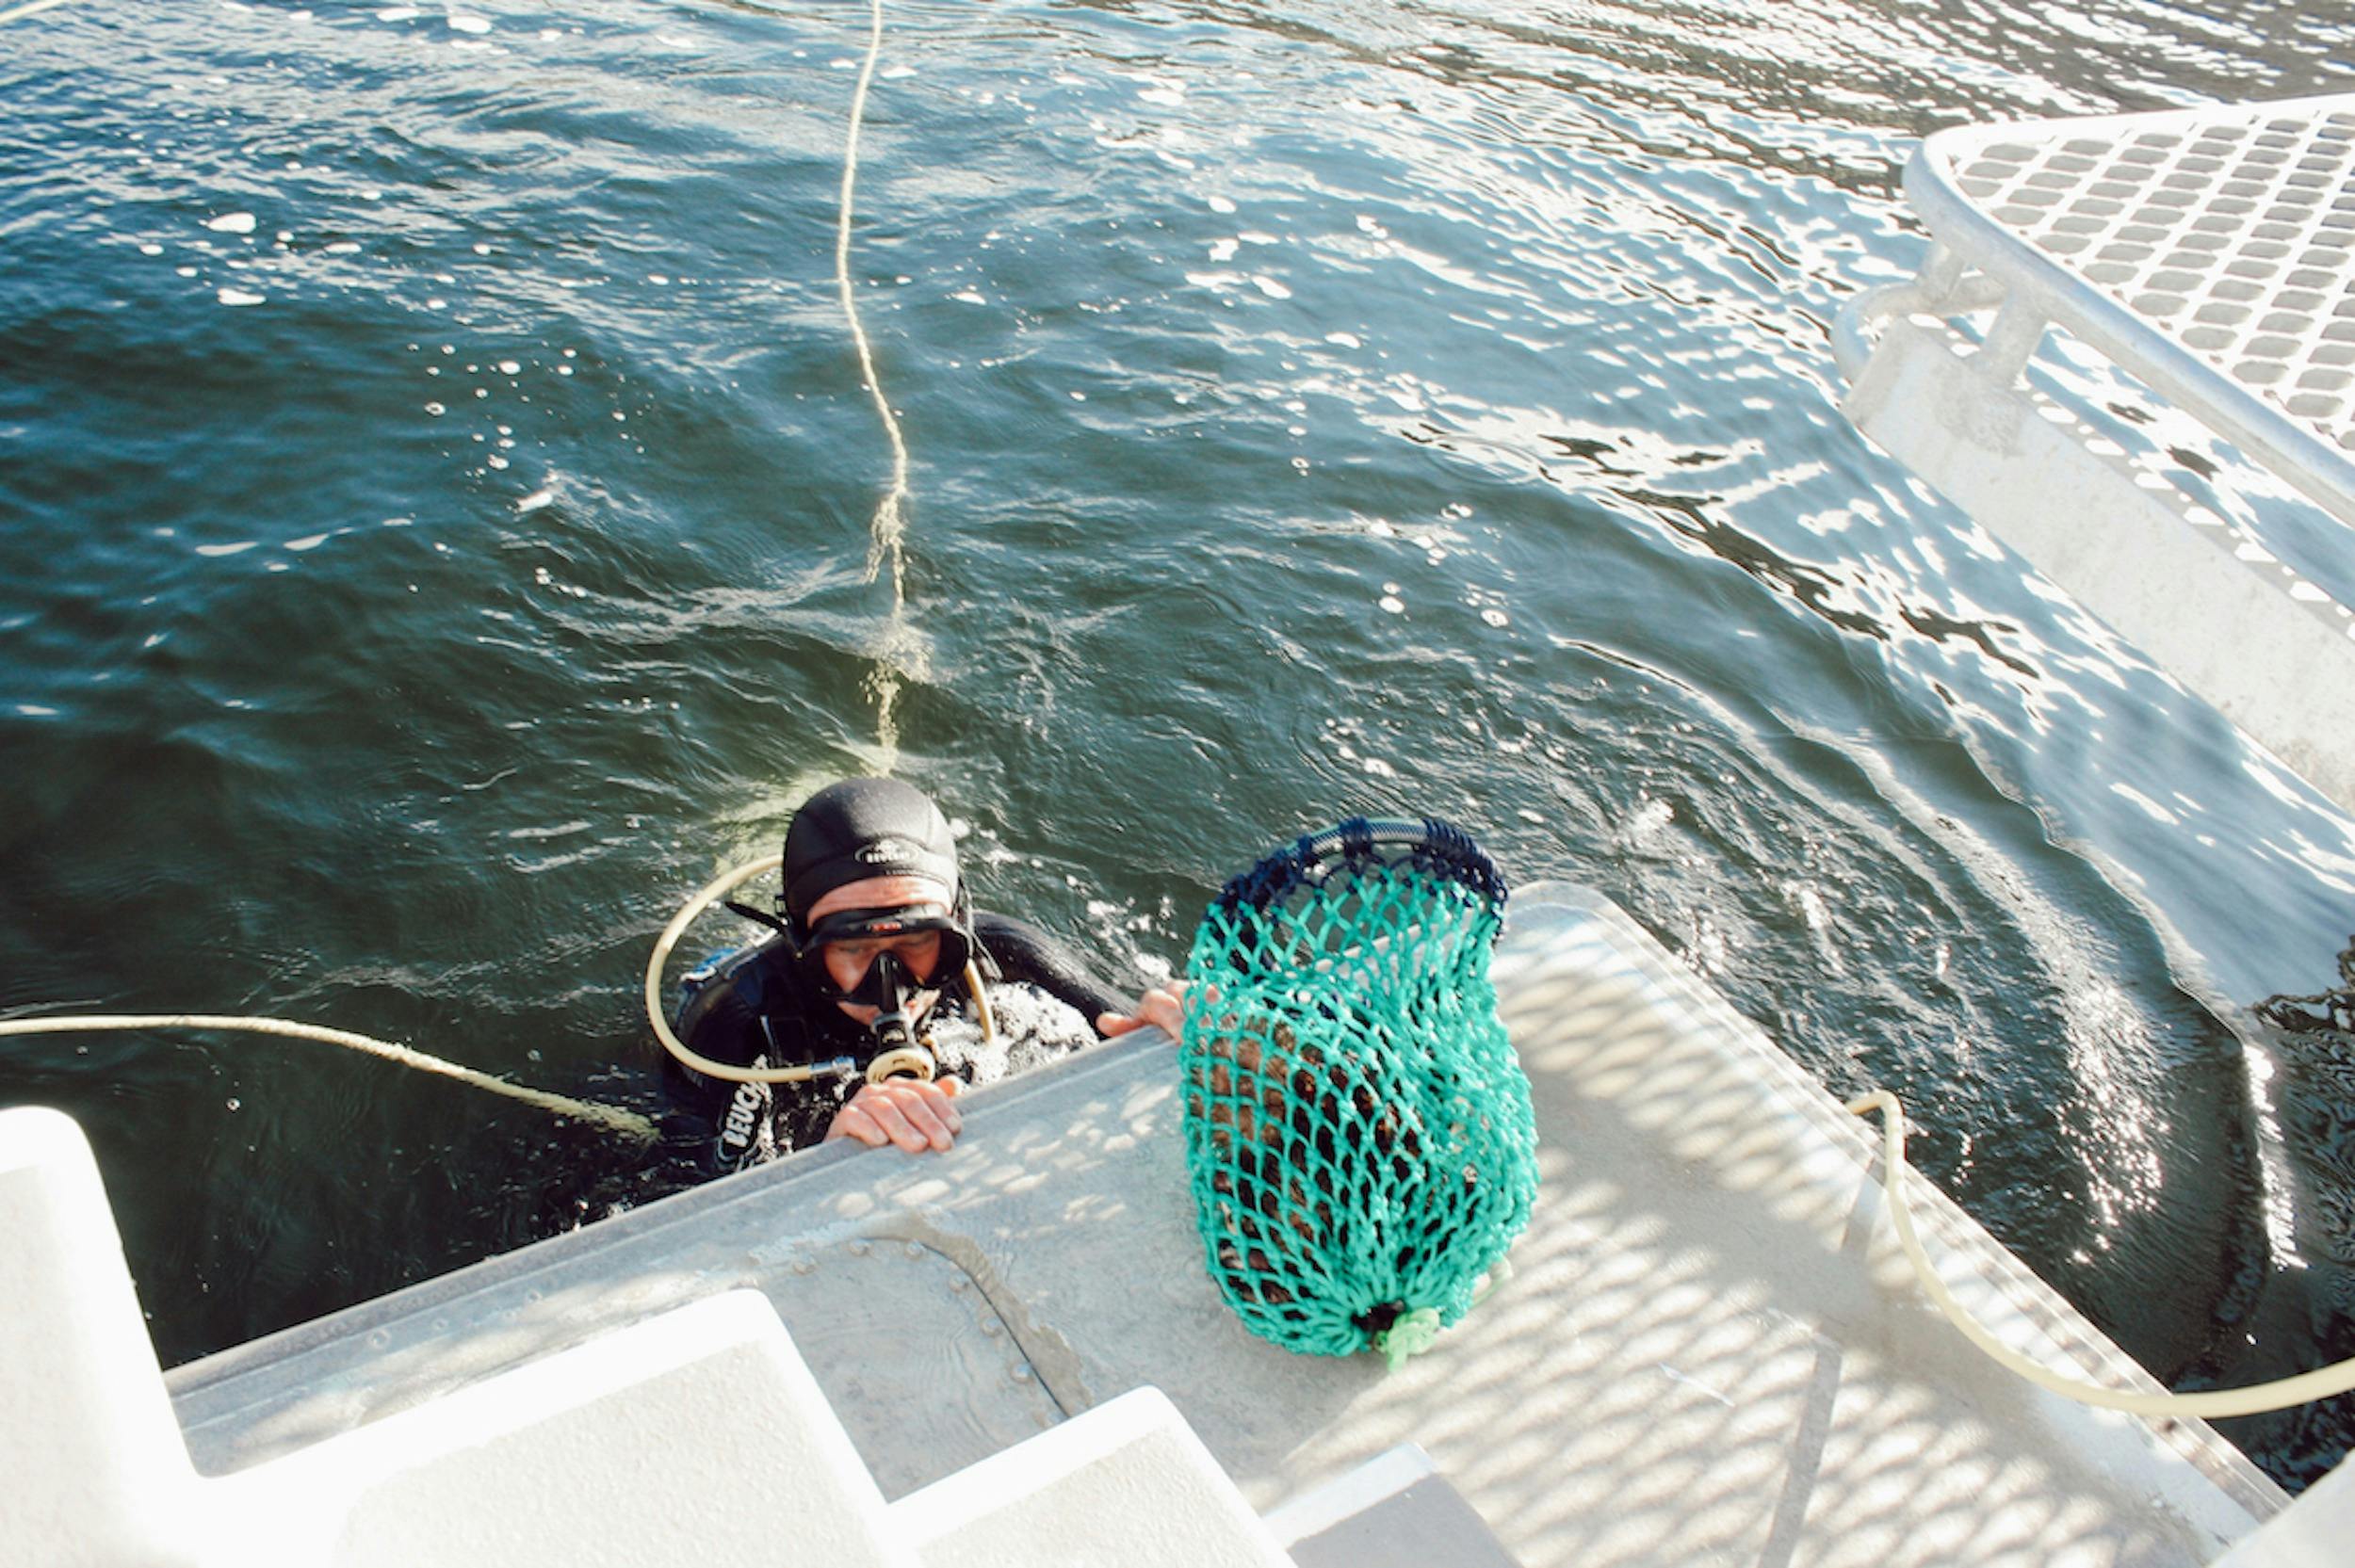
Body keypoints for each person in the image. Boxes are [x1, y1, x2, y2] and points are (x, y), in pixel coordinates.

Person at [662, 777, 1183, 1172]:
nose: (892, 987)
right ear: (802, 945)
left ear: (958, 925)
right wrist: (822, 1160)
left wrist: (1160, 1028)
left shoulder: (1004, 954)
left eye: (916, 943)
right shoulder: (737, 1016)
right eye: (851, 948)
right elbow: (676, 1192)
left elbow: (1122, 1023)